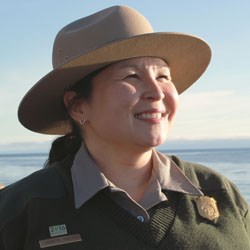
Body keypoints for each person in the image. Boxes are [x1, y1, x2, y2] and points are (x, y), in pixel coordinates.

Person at [0, 5, 249, 250]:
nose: (156, 92)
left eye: (163, 76)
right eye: (131, 76)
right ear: (77, 106)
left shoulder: (219, 191)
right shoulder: (21, 209)